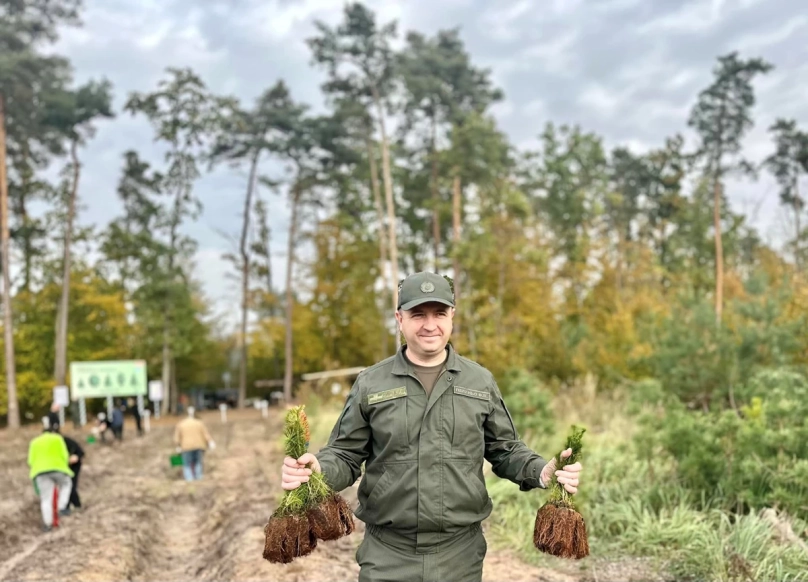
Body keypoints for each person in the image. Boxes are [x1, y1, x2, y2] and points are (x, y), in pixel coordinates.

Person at [281, 272, 584, 582]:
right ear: (400, 319)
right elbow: (345, 454)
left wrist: (542, 471)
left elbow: (505, 450)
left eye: (439, 313)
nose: (429, 324)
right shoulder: (371, 383)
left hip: (460, 554)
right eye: (417, 314)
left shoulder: (479, 382)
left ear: (452, 316)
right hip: (387, 553)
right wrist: (318, 469)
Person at [28, 417, 74, 532]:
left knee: (45, 499)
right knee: (66, 484)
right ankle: (62, 507)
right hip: (58, 468)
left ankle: (47, 524)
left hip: (40, 471)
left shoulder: (34, 442)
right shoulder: (57, 439)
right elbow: (65, 455)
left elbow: (30, 461)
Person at [174, 407, 215, 481]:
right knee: (198, 462)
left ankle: (189, 479)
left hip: (186, 447)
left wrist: (177, 446)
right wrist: (210, 442)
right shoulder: (199, 423)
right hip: (199, 446)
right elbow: (206, 434)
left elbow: (177, 437)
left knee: (187, 464)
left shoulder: (181, 424)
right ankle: (198, 477)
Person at [61, 433, 85, 511]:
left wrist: (76, 457)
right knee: (64, 486)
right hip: (61, 467)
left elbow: (80, 452)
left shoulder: (66, 440)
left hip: (73, 466)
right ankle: (67, 505)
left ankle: (76, 505)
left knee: (71, 485)